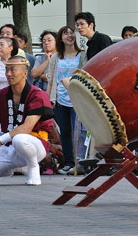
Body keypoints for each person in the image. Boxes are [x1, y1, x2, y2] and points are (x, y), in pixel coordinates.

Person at [0, 56, 54, 186]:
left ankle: (32, 167)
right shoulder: (0, 96)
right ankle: (5, 169)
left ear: (25, 73)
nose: (8, 74)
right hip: (8, 148)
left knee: (19, 139)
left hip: (34, 145)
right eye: (7, 70)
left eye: (13, 70)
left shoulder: (37, 95)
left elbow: (27, 128)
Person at [47, 26, 87, 175]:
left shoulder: (82, 55)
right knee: (64, 131)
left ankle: (79, 161)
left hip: (77, 98)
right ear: (61, 38)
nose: (69, 36)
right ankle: (68, 162)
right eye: (65, 33)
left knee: (79, 131)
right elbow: (51, 79)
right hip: (60, 98)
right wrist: (48, 99)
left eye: (72, 33)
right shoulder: (56, 57)